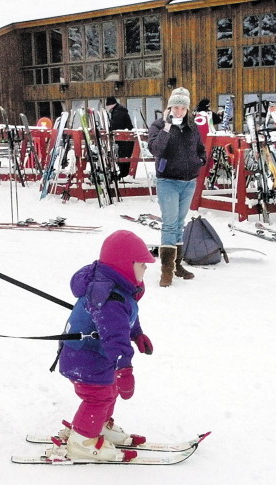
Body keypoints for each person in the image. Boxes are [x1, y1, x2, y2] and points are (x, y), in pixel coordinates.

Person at [55, 230, 155, 462]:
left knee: (108, 391)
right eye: (142, 264)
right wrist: (125, 369)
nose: (146, 268)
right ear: (125, 264)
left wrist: (137, 333)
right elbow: (114, 337)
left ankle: (98, 424)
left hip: (93, 356)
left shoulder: (119, 289)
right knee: (98, 397)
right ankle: (82, 439)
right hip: (85, 357)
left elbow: (125, 317)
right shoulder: (108, 297)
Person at [148, 87, 206, 287]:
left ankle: (177, 265)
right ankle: (166, 271)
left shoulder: (192, 126)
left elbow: (200, 147)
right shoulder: (158, 125)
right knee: (170, 224)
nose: (179, 111)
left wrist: (201, 159)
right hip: (168, 181)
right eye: (176, 107)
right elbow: (155, 149)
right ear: (169, 107)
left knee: (180, 224)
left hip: (189, 181)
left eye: (183, 108)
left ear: (187, 109)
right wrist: (167, 126)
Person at [106, 96, 134, 179]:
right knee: (124, 156)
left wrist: (109, 128)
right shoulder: (119, 111)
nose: (107, 108)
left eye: (107, 106)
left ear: (111, 105)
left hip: (125, 140)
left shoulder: (118, 112)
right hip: (126, 139)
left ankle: (124, 174)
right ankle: (124, 173)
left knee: (123, 157)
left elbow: (116, 125)